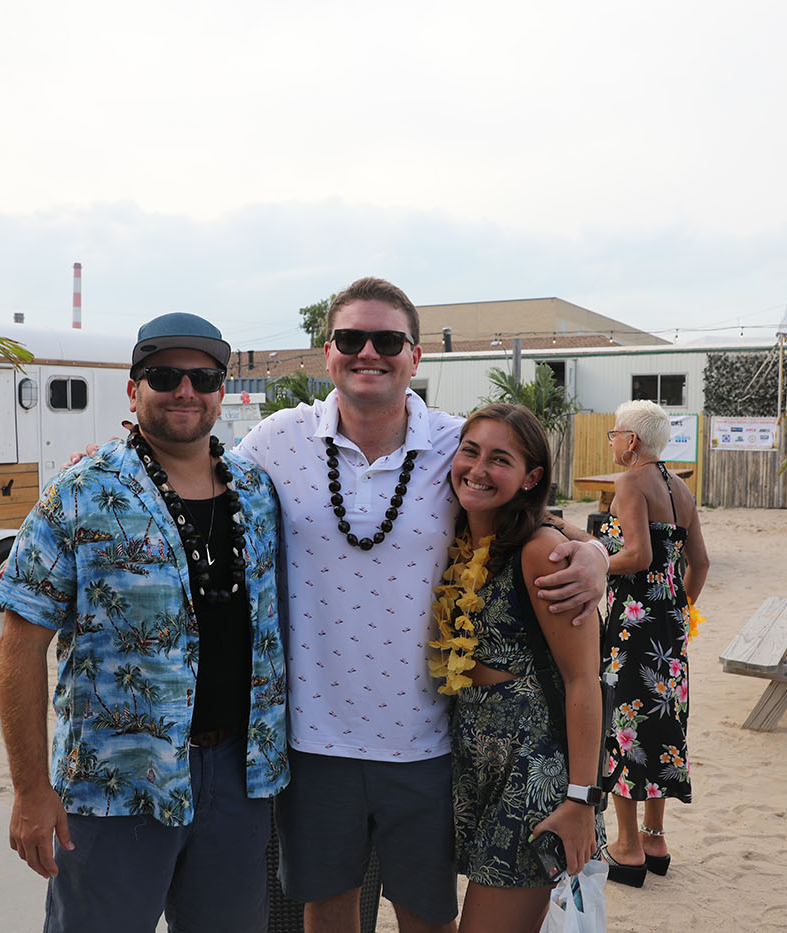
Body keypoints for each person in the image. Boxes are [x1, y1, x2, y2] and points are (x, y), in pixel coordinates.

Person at [233, 276, 609, 932]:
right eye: (351, 338)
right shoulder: (277, 439)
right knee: (327, 909)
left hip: (430, 743)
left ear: (415, 355)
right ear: (328, 351)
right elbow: (199, 482)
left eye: (387, 340)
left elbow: (523, 509)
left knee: (426, 916)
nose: (367, 352)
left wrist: (595, 552)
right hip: (314, 738)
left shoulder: (454, 444)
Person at [0, 312, 287, 932]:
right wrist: (30, 789)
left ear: (222, 392)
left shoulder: (258, 492)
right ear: (133, 390)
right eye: (165, 376)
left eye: (204, 378)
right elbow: (20, 645)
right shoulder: (80, 492)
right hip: (114, 782)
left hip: (239, 775)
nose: (186, 391)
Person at [433, 403, 605, 932]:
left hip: (531, 777)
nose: (478, 469)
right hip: (471, 767)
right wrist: (597, 545)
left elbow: (583, 681)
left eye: (500, 459)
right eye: (470, 451)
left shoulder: (542, 552)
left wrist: (581, 800)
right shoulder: (459, 536)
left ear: (531, 478)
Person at [598, 400, 709, 885]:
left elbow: (637, 555)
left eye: (615, 433)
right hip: (669, 626)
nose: (613, 441)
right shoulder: (681, 489)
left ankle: (627, 847)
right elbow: (700, 563)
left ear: (633, 440)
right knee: (662, 724)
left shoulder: (629, 482)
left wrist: (594, 562)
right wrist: (678, 607)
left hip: (632, 623)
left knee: (625, 723)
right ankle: (655, 838)